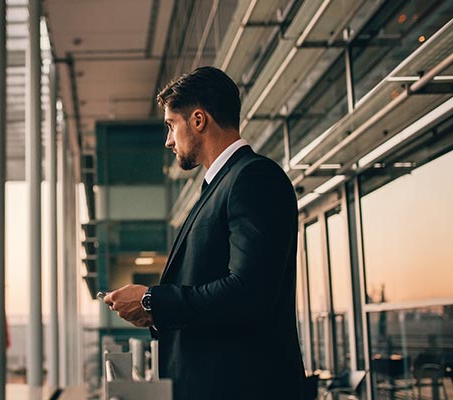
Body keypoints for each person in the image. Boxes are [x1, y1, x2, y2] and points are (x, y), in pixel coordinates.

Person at [103, 66, 305, 399]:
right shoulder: (222, 185)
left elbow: (248, 294)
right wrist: (153, 313)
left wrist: (152, 300)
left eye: (171, 125)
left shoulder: (253, 179)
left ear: (198, 120)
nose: (168, 140)